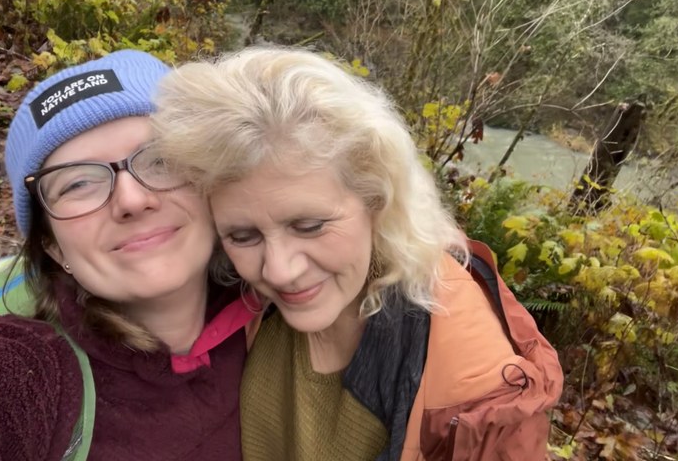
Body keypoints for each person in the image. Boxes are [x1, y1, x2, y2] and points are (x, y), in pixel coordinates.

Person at [151, 47, 564, 461]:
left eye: (309, 226)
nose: (278, 271)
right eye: (243, 236)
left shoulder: (474, 388)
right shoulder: (235, 301)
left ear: (377, 201)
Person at [0, 50, 252, 461]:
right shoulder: (22, 370)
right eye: (78, 183)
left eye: (161, 160)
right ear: (51, 245)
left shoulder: (284, 308)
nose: (132, 200)